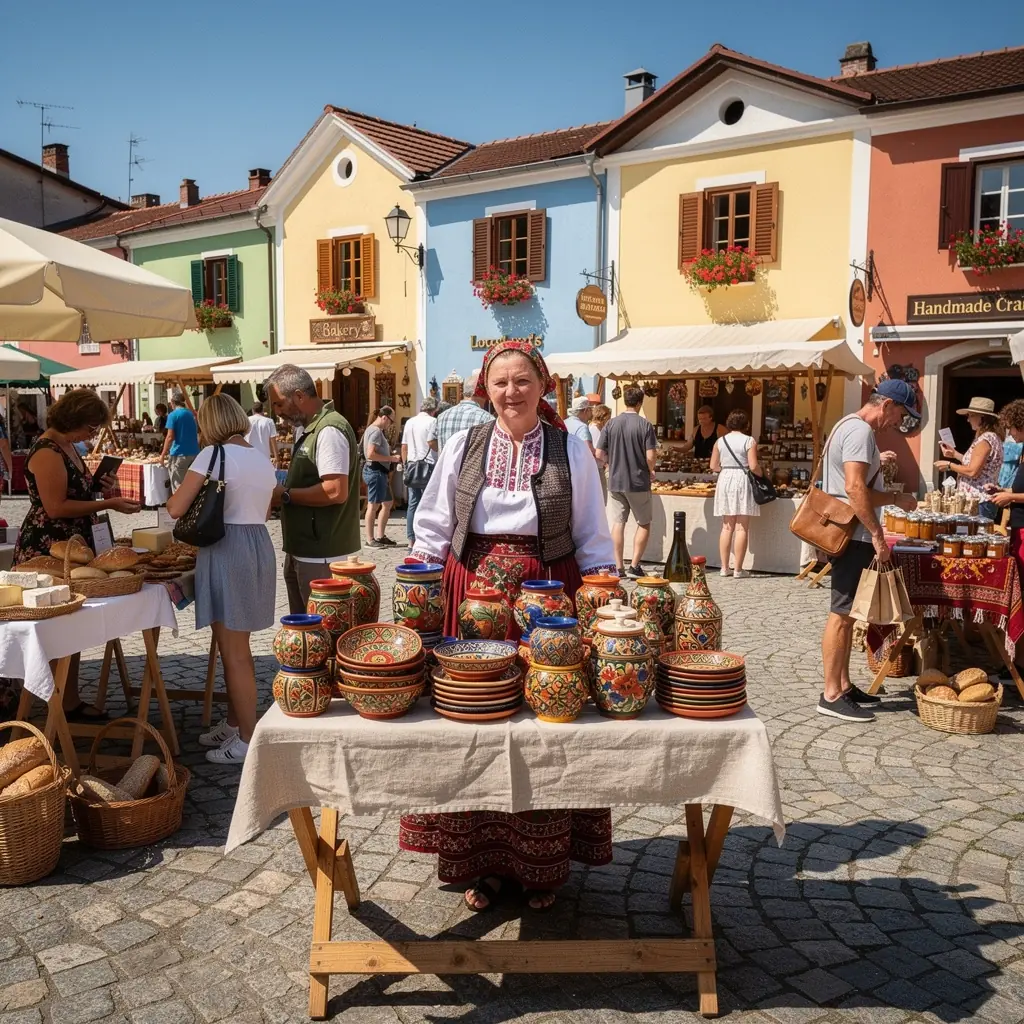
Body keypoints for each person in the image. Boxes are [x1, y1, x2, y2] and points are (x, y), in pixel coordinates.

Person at [406, 339, 615, 914]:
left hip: (548, 595)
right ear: (485, 388)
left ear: (543, 386)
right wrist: (419, 592)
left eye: (523, 380)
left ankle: (542, 861)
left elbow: (592, 532)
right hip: (470, 596)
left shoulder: (570, 449)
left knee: (545, 723)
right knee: (476, 722)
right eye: (500, 382)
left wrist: (602, 593)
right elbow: (433, 524)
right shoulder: (464, 445)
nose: (511, 392)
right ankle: (483, 862)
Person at [14, 388, 141, 721]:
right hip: (50, 545)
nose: (92, 435)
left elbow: (74, 491)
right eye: (91, 427)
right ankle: (54, 702)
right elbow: (55, 507)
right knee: (56, 626)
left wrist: (99, 486)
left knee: (71, 625)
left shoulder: (68, 446)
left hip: (70, 542)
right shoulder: (47, 451)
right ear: (74, 420)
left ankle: (68, 701)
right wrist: (108, 503)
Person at [166, 394, 276, 764]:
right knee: (236, 647)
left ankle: (248, 739)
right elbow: (265, 510)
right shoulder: (260, 457)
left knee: (234, 653)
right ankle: (235, 723)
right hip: (256, 544)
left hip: (227, 547)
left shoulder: (212, 455)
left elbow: (176, 507)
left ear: (210, 423)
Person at [818, 380, 919, 723]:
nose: (898, 422)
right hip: (854, 533)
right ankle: (831, 694)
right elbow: (854, 488)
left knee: (848, 614)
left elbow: (855, 487)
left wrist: (892, 498)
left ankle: (843, 685)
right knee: (841, 614)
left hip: (848, 530)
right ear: (886, 404)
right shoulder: (860, 431)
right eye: (900, 414)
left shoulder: (848, 425)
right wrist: (877, 534)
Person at [265, 365, 360, 615]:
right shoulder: (308, 428)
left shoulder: (328, 430)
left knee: (322, 626)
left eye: (279, 404)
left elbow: (335, 491)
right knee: (305, 628)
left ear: (299, 396)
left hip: (322, 552)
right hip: (305, 548)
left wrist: (285, 494)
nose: (277, 412)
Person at [596, 386, 658, 579]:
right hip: (638, 480)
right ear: (639, 403)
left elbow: (599, 453)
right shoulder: (645, 425)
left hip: (615, 480)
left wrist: (609, 464)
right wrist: (651, 469)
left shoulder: (611, 424)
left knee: (618, 523)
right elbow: (650, 456)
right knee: (644, 523)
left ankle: (618, 566)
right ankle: (635, 565)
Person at [990, 399, 1024, 672]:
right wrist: (1002, 490)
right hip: (1019, 528)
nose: (1010, 434)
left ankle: (1020, 663)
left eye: (1012, 428)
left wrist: (1010, 497)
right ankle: (1016, 659)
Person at [710, 409, 763, 578]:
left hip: (725, 478)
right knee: (741, 527)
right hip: (742, 478)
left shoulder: (720, 441)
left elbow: (713, 466)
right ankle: (738, 570)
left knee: (727, 526)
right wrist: (762, 475)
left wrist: (726, 469)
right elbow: (753, 466)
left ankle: (724, 568)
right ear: (746, 424)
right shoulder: (749, 440)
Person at [935, 397, 1003, 522]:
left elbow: (973, 471)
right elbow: (978, 464)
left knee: (975, 533)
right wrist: (954, 454)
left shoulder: (985, 440)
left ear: (982, 418)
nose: (968, 419)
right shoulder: (990, 437)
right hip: (981, 500)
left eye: (971, 416)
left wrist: (949, 465)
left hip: (979, 501)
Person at [400, 397, 438, 550]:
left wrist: (405, 465)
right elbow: (432, 443)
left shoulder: (410, 422)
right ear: (434, 409)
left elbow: (404, 446)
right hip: (428, 465)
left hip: (412, 465)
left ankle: (411, 540)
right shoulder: (433, 421)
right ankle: (426, 539)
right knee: (430, 503)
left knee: (413, 504)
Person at [362, 407, 401, 548]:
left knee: (388, 503)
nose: (390, 424)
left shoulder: (374, 430)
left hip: (379, 472)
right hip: (376, 472)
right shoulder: (375, 431)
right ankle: (370, 539)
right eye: (391, 421)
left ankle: (380, 536)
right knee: (373, 506)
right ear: (384, 417)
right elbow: (370, 454)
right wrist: (391, 458)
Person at [435, 371, 493, 451]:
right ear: (478, 393)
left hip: (445, 459)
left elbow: (431, 441)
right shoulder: (486, 418)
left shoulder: (442, 416)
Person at [160, 392, 200, 493]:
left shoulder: (173, 415)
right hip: (194, 453)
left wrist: (163, 454)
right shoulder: (192, 414)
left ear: (173, 402)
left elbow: (170, 437)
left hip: (179, 453)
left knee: (178, 487)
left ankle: (180, 503)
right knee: (191, 485)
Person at [590, 404, 612, 503]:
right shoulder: (595, 430)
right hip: (598, 468)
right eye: (608, 417)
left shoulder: (598, 429)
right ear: (604, 416)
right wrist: (605, 464)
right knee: (602, 498)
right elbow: (596, 453)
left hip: (599, 467)